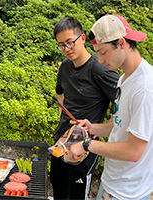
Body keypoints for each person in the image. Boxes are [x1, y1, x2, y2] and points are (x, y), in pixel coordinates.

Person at [69, 14, 153, 200]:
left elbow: (134, 151)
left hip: (129, 192)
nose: (99, 60)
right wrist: (93, 128)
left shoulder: (145, 88)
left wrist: (87, 145)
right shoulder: (124, 79)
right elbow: (120, 122)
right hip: (112, 181)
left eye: (103, 52)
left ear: (121, 44)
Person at [50, 16, 119, 199]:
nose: (66, 49)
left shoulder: (100, 70)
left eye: (70, 42)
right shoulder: (65, 67)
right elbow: (59, 92)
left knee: (77, 194)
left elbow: (124, 103)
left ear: (82, 38)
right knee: (58, 185)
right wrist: (62, 116)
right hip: (62, 140)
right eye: (61, 45)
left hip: (85, 146)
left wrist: (105, 127)